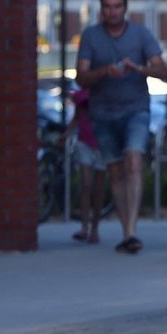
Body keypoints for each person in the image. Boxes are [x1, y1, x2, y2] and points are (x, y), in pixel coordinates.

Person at [76, 0, 167, 254]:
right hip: (103, 113)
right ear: (101, 8)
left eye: (117, 6)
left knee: (133, 160)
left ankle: (131, 232)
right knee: (116, 171)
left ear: (125, 8)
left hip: (135, 110)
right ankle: (125, 231)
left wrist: (139, 69)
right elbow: (81, 76)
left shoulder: (141, 34)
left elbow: (164, 70)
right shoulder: (91, 36)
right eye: (107, 6)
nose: (112, 12)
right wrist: (103, 72)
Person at [64, 87, 106, 244]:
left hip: (103, 142)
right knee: (86, 184)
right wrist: (66, 134)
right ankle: (84, 227)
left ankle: (95, 228)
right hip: (84, 141)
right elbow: (77, 117)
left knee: (98, 187)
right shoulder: (81, 96)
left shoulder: (106, 91)